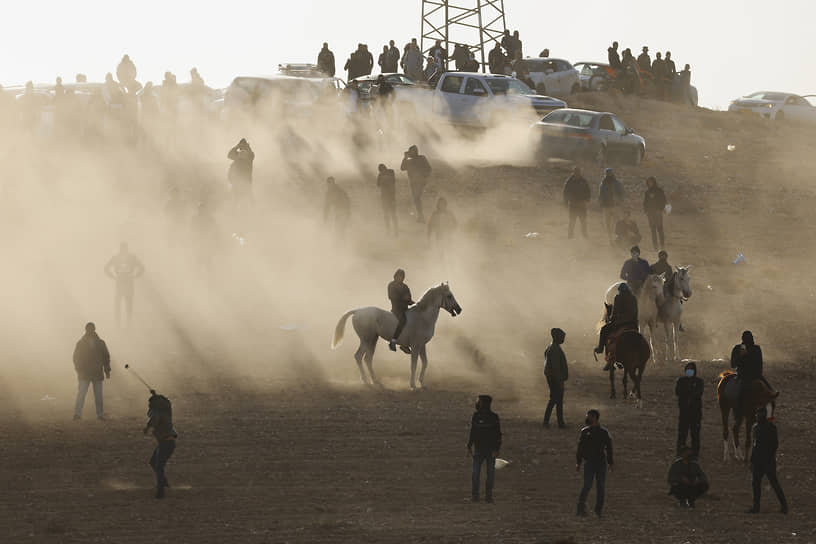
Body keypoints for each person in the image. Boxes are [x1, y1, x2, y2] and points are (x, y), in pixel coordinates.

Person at [748, 406, 788, 514]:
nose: (757, 416)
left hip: (764, 460)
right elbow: (771, 445)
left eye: (758, 414)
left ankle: (757, 507)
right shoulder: (767, 427)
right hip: (764, 460)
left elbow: (772, 445)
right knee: (767, 484)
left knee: (760, 484)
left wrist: (753, 460)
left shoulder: (760, 428)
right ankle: (783, 506)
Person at [576, 409, 613, 517]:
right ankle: (580, 509)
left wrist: (610, 462)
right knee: (587, 485)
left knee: (600, 487)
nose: (587, 419)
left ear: (595, 418)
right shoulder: (584, 431)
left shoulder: (604, 432)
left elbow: (609, 448)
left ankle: (598, 511)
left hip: (600, 463)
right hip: (590, 462)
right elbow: (580, 448)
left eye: (589, 417)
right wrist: (578, 462)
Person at [73, 322, 111, 421]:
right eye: (89, 329)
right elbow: (76, 358)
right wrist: (79, 369)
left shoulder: (99, 343)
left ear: (94, 329)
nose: (90, 330)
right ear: (86, 330)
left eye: (91, 328)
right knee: (82, 394)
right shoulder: (82, 343)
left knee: (97, 395)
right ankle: (77, 414)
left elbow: (106, 357)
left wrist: (107, 370)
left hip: (95, 373)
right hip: (85, 373)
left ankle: (99, 415)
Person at [143, 391, 178, 499]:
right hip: (168, 442)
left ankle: (161, 491)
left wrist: (147, 428)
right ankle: (163, 482)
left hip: (165, 443)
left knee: (158, 466)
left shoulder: (157, 412)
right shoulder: (167, 409)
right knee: (154, 462)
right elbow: (164, 401)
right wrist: (155, 394)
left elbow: (154, 420)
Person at [730, 331, 772, 420]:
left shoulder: (756, 349)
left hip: (755, 376)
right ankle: (737, 413)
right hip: (742, 376)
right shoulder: (738, 348)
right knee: (736, 394)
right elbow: (733, 364)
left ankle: (769, 416)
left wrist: (759, 375)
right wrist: (740, 356)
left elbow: (759, 364)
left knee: (770, 394)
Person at [467, 394, 502, 503]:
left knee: (485, 474)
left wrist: (496, 449)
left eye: (479, 402)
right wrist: (469, 445)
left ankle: (486, 496)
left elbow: (498, 435)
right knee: (479, 474)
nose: (477, 403)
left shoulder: (492, 417)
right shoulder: (477, 416)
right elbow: (473, 432)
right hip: (482, 450)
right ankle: (479, 496)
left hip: (488, 450)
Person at [105, 243, 145, 327]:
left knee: (127, 303)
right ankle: (119, 323)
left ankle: (127, 323)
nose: (123, 251)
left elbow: (142, 267)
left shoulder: (130, 258)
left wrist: (135, 276)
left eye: (124, 249)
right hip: (121, 282)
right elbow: (106, 268)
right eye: (122, 249)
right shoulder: (118, 258)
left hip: (127, 282)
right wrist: (112, 276)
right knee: (120, 303)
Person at [595, 283, 638, 359]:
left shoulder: (617, 297)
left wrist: (611, 319)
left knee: (604, 330)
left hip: (620, 323)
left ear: (620, 291)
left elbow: (614, 312)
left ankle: (600, 348)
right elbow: (636, 312)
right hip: (633, 323)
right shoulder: (634, 298)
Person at [675, 361, 704, 455]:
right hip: (684, 413)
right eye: (687, 369)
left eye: (691, 370)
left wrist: (688, 392)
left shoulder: (699, 381)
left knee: (695, 435)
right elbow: (678, 392)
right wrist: (689, 391)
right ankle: (680, 451)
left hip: (695, 413)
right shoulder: (681, 381)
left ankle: (695, 453)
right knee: (682, 434)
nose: (689, 371)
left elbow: (698, 393)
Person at [543, 328, 568, 429]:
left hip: (552, 377)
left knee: (556, 399)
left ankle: (558, 422)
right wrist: (560, 381)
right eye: (562, 337)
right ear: (557, 337)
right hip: (555, 378)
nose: (563, 339)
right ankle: (555, 422)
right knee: (555, 399)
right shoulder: (555, 349)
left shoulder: (551, 347)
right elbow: (556, 368)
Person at [400, 145, 432, 222]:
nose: (412, 153)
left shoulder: (421, 158)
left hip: (420, 181)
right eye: (411, 151)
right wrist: (405, 158)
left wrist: (425, 177)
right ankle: (420, 215)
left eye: (413, 151)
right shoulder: (409, 160)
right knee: (416, 199)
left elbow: (429, 168)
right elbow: (402, 168)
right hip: (413, 182)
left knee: (417, 198)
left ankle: (421, 216)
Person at [388, 269, 414, 353]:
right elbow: (391, 297)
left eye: (403, 276)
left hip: (405, 309)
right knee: (403, 321)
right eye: (400, 276)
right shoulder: (391, 285)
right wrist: (403, 298)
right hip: (396, 309)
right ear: (396, 276)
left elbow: (409, 299)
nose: (401, 278)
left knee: (414, 320)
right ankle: (393, 341)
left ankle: (406, 343)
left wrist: (416, 304)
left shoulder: (405, 286)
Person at [563, 166, 591, 239]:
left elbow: (588, 191)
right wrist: (566, 202)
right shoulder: (569, 181)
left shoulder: (583, 181)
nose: (577, 174)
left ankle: (585, 236)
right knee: (572, 221)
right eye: (576, 172)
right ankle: (570, 236)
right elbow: (565, 192)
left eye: (578, 172)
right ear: (573, 172)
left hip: (582, 204)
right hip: (573, 204)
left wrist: (587, 199)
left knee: (583, 221)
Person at [599, 169, 624, 244]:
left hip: (615, 205)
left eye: (610, 173)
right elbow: (600, 194)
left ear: (612, 174)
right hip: (606, 206)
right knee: (607, 224)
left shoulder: (617, 183)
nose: (609, 175)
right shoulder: (603, 183)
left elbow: (622, 193)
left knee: (617, 222)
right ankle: (610, 239)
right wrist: (600, 202)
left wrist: (620, 200)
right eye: (607, 173)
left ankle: (618, 238)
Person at [227, 138, 255, 204]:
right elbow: (229, 155)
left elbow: (251, 154)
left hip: (245, 184)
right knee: (237, 202)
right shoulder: (239, 157)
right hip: (237, 184)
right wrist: (237, 146)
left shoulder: (248, 158)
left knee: (246, 201)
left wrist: (245, 147)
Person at [643, 176, 667, 249]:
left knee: (660, 229)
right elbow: (645, 202)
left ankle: (662, 245)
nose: (650, 183)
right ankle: (655, 246)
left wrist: (660, 209)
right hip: (650, 213)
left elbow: (664, 200)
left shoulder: (659, 191)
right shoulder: (647, 192)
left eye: (651, 182)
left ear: (654, 182)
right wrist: (646, 210)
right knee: (653, 230)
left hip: (658, 212)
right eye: (649, 182)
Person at [377, 164, 398, 236]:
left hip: (387, 197)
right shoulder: (389, 173)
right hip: (388, 197)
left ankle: (392, 230)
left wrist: (382, 177)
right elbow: (378, 184)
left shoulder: (388, 173)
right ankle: (393, 231)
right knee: (391, 215)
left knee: (389, 215)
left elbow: (378, 184)